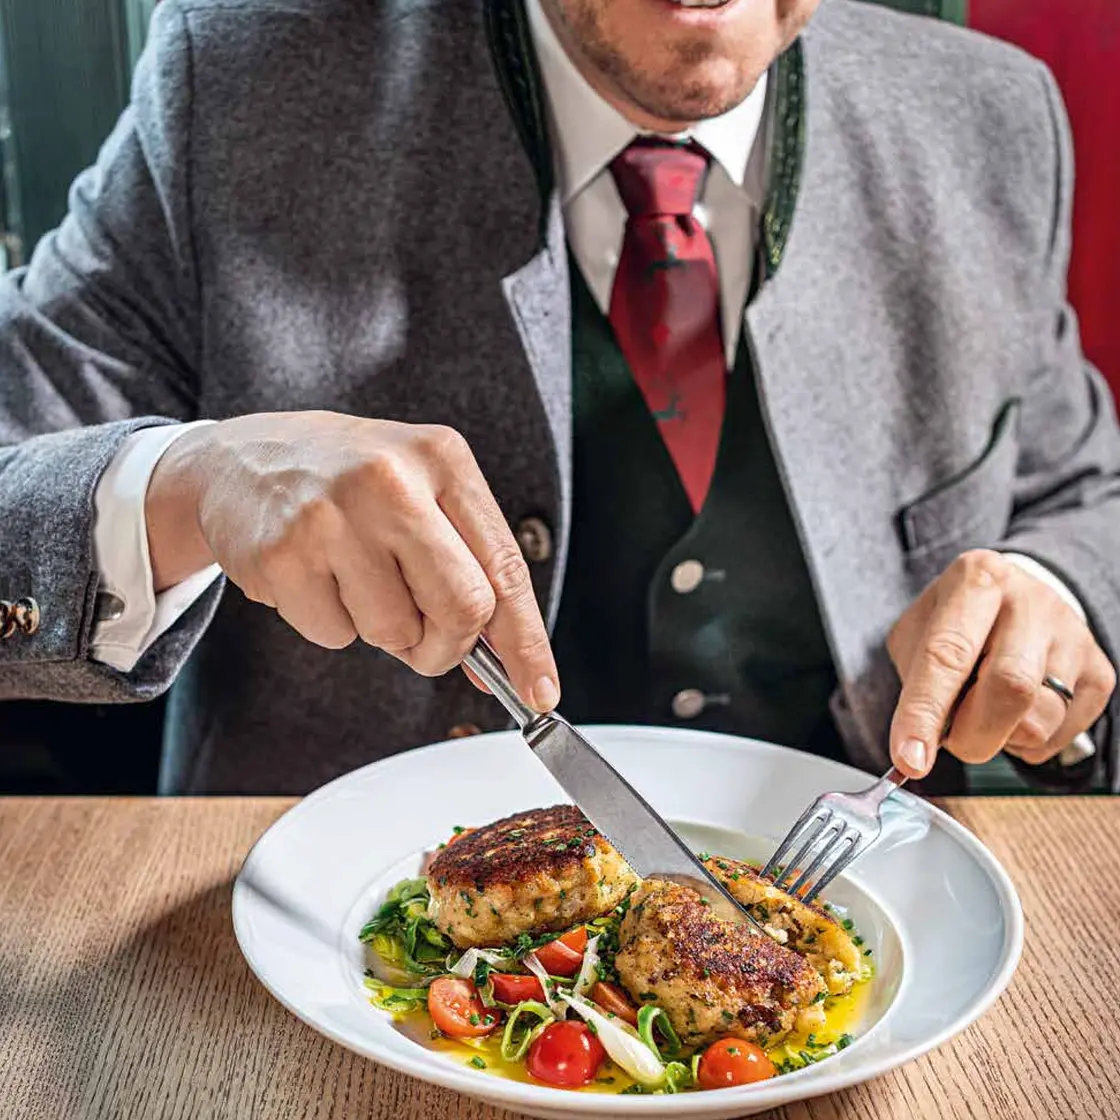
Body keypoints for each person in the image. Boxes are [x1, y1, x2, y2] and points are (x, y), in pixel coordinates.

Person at [0, 0, 1116, 796]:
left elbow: (1084, 494)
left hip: (870, 953)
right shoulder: (238, 78)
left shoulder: (990, 115)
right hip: (333, 960)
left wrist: (1055, 583)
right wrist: (190, 484)